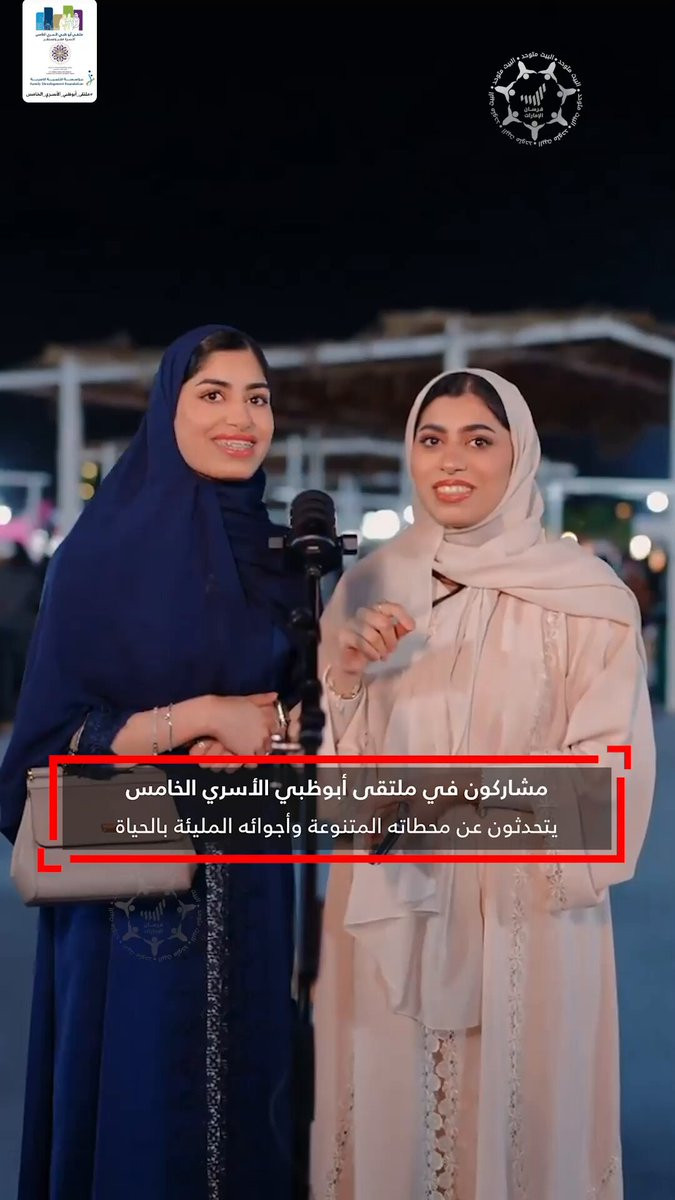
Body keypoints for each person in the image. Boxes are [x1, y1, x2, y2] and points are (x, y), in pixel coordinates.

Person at [310, 369, 656, 1200]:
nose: (450, 460)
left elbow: (608, 794)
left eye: (477, 439)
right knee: (391, 1125)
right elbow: (332, 790)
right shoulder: (367, 589)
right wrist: (346, 680)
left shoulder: (588, 602)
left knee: (517, 1123)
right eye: (431, 440)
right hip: (392, 912)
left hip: (523, 919)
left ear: (517, 453)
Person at [0, 324, 307, 1200]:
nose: (240, 418)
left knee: (253, 1100)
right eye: (212, 394)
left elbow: (303, 715)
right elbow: (44, 748)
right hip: (125, 893)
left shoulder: (283, 561)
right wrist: (193, 720)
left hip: (252, 879)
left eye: (257, 398)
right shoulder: (97, 559)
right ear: (168, 407)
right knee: (137, 1107)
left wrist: (286, 721)